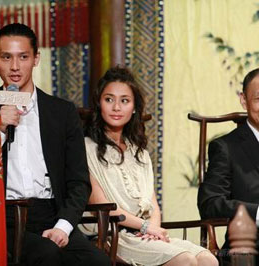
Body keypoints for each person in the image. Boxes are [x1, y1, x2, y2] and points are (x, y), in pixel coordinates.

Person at [0, 23, 110, 266]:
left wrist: (63, 227)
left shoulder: (61, 112)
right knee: (46, 254)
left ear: (36, 58)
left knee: (98, 262)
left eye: (23, 57)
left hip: (52, 213)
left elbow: (78, 181)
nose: (15, 66)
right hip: (3, 217)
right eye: (6, 57)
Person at [84, 66, 218, 266]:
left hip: (143, 233)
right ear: (99, 103)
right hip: (111, 234)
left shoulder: (140, 153)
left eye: (125, 101)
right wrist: (146, 227)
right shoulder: (86, 147)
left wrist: (152, 230)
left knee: (208, 259)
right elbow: (101, 206)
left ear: (134, 107)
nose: (117, 107)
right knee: (186, 260)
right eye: (109, 99)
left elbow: (152, 203)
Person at [198, 68, 259, 256]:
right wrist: (257, 213)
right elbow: (210, 202)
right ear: (243, 100)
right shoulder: (226, 147)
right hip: (249, 246)